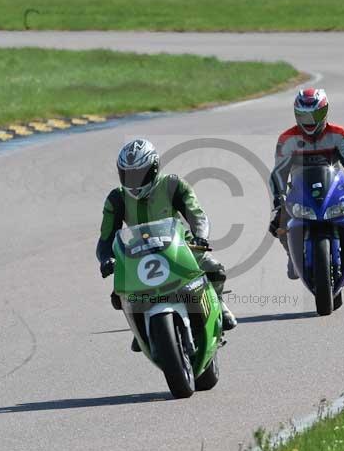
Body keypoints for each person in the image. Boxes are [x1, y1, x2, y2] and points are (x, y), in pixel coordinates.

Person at [97, 139, 238, 351]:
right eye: (127, 175)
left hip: (179, 246)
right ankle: (141, 327)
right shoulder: (116, 198)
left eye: (139, 174)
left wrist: (200, 236)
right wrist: (106, 258)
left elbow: (196, 215)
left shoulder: (173, 185)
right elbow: (106, 237)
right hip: (137, 256)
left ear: (153, 168)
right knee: (119, 294)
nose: (133, 181)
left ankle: (218, 304)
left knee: (214, 269)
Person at [268, 88, 344, 279]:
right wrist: (279, 198)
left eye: (315, 114)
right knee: (278, 221)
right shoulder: (287, 139)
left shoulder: (340, 133)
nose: (309, 121)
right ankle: (292, 255)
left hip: (333, 185)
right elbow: (278, 172)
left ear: (325, 111)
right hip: (300, 189)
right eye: (303, 115)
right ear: (296, 114)